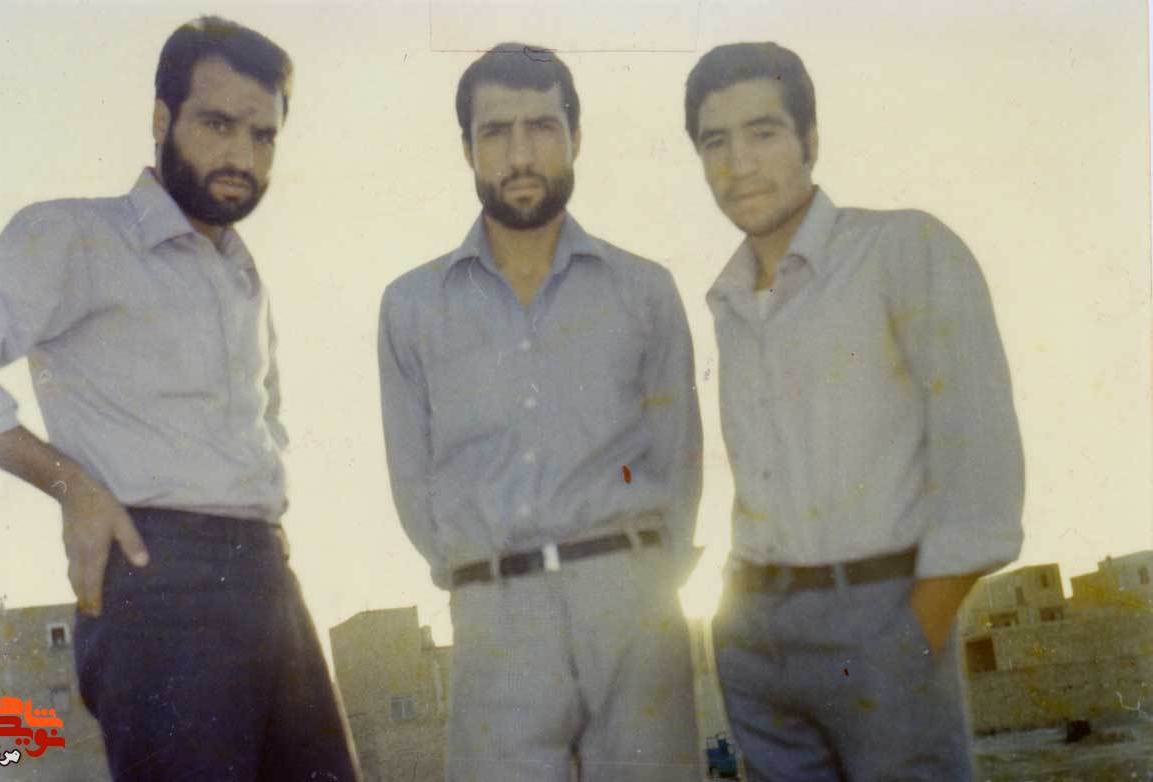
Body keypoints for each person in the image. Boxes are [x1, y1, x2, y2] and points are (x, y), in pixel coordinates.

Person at [0, 16, 359, 781]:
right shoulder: (73, 237)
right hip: (159, 581)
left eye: (263, 135)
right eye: (217, 124)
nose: (242, 156)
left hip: (270, 579)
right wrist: (69, 484)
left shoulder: (241, 273)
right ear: (160, 118)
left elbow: (267, 425)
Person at [685, 42, 1024, 780]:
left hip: (880, 623)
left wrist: (911, 637)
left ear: (810, 139)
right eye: (716, 141)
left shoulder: (904, 248)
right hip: (755, 641)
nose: (739, 162)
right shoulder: (729, 299)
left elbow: (983, 473)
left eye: (763, 132)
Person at [378, 42, 704, 782]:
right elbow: (412, 480)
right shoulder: (412, 307)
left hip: (633, 609)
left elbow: (679, 460)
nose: (520, 154)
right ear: (467, 149)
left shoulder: (644, 291)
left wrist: (643, 577)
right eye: (496, 132)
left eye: (542, 127)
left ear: (576, 136)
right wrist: (482, 580)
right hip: (497, 618)